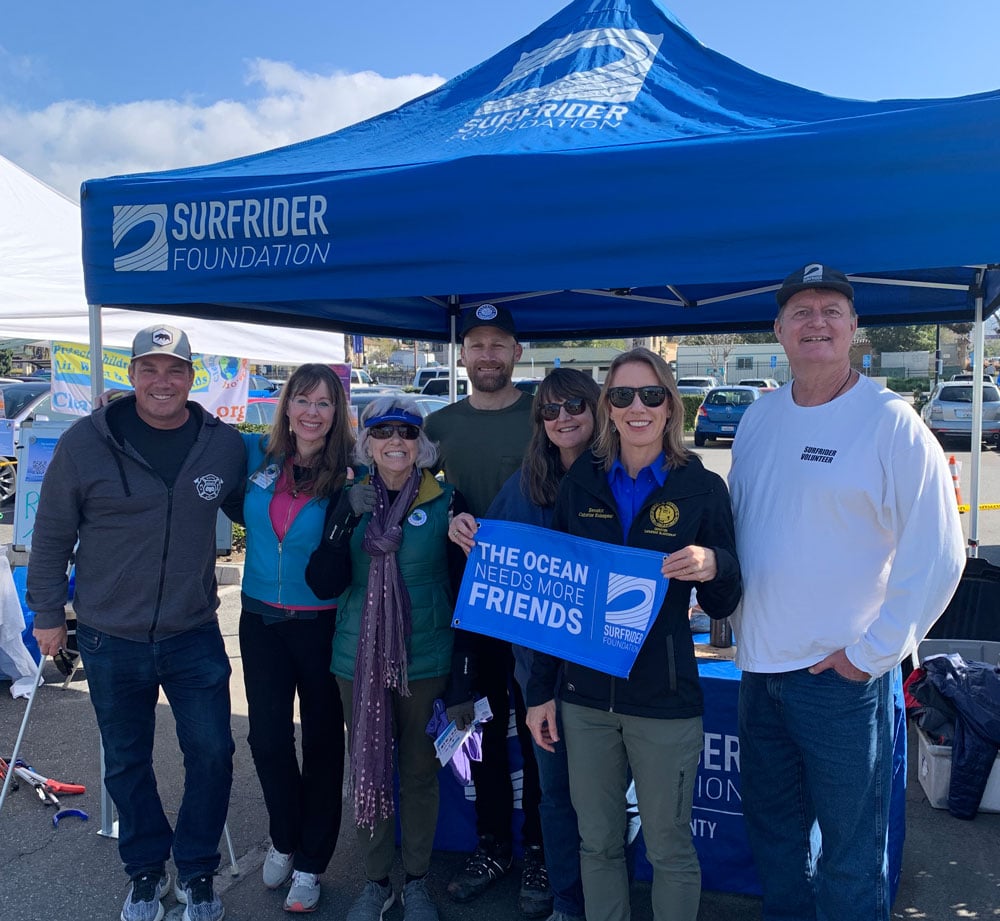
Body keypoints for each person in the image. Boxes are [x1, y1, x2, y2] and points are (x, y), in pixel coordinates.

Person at [728, 263, 966, 921]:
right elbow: (751, 527)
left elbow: (940, 552)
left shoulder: (890, 421)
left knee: (851, 860)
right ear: (778, 329)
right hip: (759, 672)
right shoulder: (757, 419)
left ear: (854, 327)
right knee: (777, 849)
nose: (816, 322)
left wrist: (873, 653)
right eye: (801, 311)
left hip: (842, 681)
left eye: (831, 309)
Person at [28, 325, 246, 921]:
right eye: (149, 369)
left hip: (193, 631)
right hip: (107, 635)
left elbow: (268, 503)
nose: (162, 381)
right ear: (131, 375)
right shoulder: (85, 443)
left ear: (192, 376)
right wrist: (48, 614)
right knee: (126, 759)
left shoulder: (223, 445)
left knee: (214, 753)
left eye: (174, 369)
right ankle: (146, 870)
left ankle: (198, 872)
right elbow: (51, 535)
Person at [525, 347, 742, 921]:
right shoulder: (581, 484)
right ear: (609, 409)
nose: (637, 407)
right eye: (622, 396)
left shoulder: (701, 486)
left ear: (670, 404)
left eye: (651, 394)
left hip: (663, 702)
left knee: (668, 848)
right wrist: (540, 692)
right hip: (585, 699)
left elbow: (726, 598)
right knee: (596, 844)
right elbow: (558, 596)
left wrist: (715, 564)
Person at [305, 395, 469, 921]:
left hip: (425, 659)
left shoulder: (447, 500)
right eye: (383, 433)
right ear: (367, 443)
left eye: (406, 432)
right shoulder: (349, 498)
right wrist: (338, 531)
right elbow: (324, 582)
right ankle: (376, 881)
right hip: (358, 659)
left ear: (421, 444)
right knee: (369, 766)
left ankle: (417, 880)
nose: (395, 442)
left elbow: (469, 590)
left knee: (419, 770)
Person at [451, 367, 600, 921]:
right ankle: (548, 868)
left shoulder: (618, 473)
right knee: (546, 768)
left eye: (575, 407)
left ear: (596, 409)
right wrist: (464, 531)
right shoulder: (526, 479)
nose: (563, 418)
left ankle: (575, 878)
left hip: (598, 661)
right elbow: (493, 546)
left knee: (591, 785)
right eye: (552, 410)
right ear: (539, 421)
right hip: (534, 659)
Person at [423, 303, 548, 914]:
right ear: (463, 355)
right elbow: (411, 497)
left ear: (517, 353)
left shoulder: (545, 414)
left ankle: (543, 853)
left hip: (537, 602)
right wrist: (449, 519)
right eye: (477, 345)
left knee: (540, 727)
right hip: (470, 605)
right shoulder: (439, 425)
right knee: (477, 726)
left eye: (500, 343)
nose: (488, 355)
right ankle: (494, 842)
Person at [238, 363, 354, 913]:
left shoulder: (352, 477)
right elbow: (186, 429)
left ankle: (311, 861)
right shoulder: (257, 459)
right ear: (286, 405)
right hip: (260, 619)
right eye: (303, 400)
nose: (312, 412)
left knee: (326, 745)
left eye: (324, 403)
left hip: (323, 624)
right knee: (266, 739)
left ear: (337, 415)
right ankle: (284, 836)